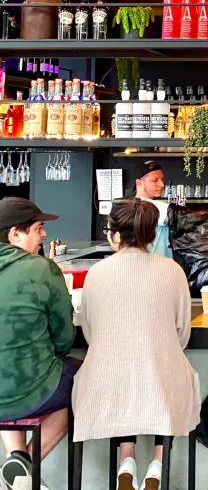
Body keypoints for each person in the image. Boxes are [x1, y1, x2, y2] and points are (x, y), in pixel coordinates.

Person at [72, 199, 200, 490]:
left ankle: (126, 460)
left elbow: (91, 334)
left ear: (115, 235)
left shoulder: (96, 273)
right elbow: (182, 334)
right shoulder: (172, 271)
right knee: (164, 372)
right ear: (151, 234)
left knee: (125, 373)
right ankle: (157, 464)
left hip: (107, 384)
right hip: (160, 380)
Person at [0, 198, 76, 490]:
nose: (44, 235)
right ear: (14, 234)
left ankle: (17, 461)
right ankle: (26, 467)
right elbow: (64, 337)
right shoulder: (41, 269)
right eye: (38, 228)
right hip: (27, 388)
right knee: (85, 381)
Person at [133, 161, 171, 258]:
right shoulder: (162, 208)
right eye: (155, 180)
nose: (162, 185)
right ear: (139, 183)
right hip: (161, 267)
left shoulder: (125, 208)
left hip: (134, 265)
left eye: (162, 179)